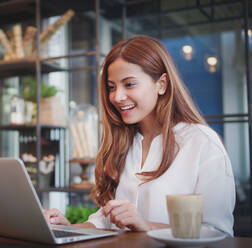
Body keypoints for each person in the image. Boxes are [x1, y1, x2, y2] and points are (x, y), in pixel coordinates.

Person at [44, 35, 235, 236]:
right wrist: (64, 228)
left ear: (161, 84)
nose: (117, 97)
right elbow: (105, 222)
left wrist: (147, 225)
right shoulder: (124, 143)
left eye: (129, 84)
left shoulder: (201, 141)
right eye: (111, 87)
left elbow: (217, 231)